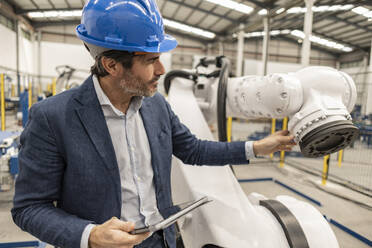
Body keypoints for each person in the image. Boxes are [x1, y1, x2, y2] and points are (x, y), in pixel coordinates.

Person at [11, 0, 295, 247]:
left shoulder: (155, 105)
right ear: (111, 65)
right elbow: (29, 208)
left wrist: (257, 147)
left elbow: (193, 150)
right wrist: (91, 235)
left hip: (160, 240)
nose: (162, 70)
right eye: (151, 60)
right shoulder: (53, 117)